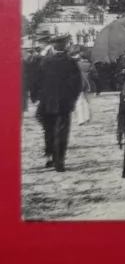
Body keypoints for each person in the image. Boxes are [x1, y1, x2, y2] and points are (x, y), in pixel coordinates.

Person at [34, 35, 82, 172]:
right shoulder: (71, 62)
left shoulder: (44, 62)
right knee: (62, 132)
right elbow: (77, 84)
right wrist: (72, 99)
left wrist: (39, 96)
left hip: (46, 102)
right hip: (64, 103)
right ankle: (59, 161)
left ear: (54, 47)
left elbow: (37, 81)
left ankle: (50, 156)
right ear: (64, 46)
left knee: (48, 130)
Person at [72, 51, 93, 125]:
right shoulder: (88, 64)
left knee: (79, 102)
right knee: (86, 101)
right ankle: (87, 117)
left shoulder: (76, 65)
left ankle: (81, 119)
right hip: (88, 84)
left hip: (79, 83)